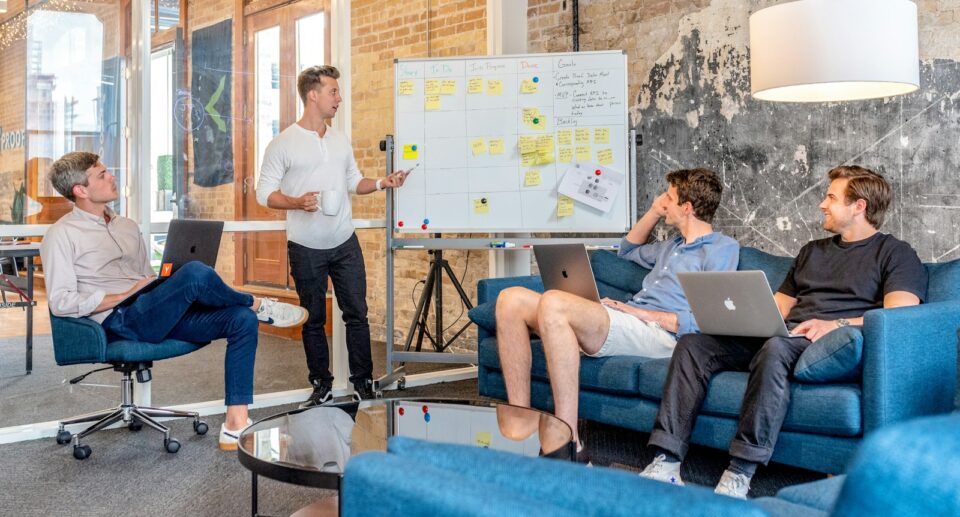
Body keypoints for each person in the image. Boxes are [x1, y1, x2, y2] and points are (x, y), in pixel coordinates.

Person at [640, 165, 927, 498]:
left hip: (829, 343)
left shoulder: (895, 253)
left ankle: (740, 471)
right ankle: (667, 461)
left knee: (775, 347)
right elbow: (777, 308)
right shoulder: (812, 251)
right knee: (693, 344)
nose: (822, 203)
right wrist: (739, 319)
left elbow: (900, 315)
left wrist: (836, 324)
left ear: (859, 206)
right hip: (785, 336)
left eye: (831, 197)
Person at [40, 151, 308, 451]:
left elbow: (145, 277)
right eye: (102, 174)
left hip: (151, 310)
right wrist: (123, 294)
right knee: (195, 274)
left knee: (239, 320)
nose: (112, 176)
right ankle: (256, 304)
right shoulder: (61, 235)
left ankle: (235, 424)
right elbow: (61, 302)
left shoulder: (126, 226)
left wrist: (161, 285)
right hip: (119, 320)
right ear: (80, 190)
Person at [495, 168, 740, 459]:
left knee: (555, 303)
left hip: (661, 335)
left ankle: (569, 440)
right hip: (630, 321)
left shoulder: (721, 249)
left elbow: (710, 318)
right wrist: (652, 212)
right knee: (510, 299)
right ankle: (521, 415)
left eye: (669, 197)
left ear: (687, 208)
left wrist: (644, 314)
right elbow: (626, 250)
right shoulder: (671, 247)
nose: (662, 201)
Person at [256, 65, 409, 407]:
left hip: (344, 242)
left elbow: (355, 182)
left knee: (356, 312)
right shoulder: (283, 143)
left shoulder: (340, 141)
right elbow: (263, 193)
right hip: (305, 246)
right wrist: (296, 201)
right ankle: (321, 384)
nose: (339, 98)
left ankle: (362, 382)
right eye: (333, 91)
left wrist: (383, 182)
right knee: (313, 317)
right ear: (313, 94)